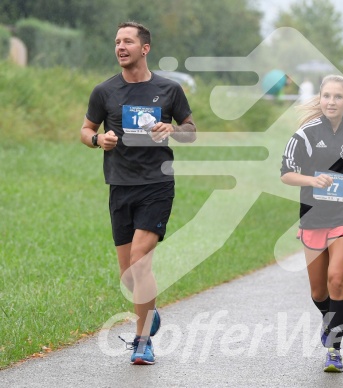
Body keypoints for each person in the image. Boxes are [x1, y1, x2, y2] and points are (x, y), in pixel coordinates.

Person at [80, 22, 196, 365]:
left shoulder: (169, 89)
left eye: (127, 41)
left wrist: (172, 129)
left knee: (140, 263)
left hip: (157, 185)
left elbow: (191, 132)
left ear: (145, 48)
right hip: (119, 186)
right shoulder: (104, 92)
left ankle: (143, 340)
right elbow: (86, 130)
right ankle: (150, 311)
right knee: (128, 277)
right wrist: (99, 140)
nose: (120, 46)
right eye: (117, 41)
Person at [280, 75, 343, 373]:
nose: (331, 101)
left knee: (337, 279)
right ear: (320, 99)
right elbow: (286, 174)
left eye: (338, 97)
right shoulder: (305, 135)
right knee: (319, 292)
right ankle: (329, 317)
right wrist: (312, 179)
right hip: (313, 217)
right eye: (326, 96)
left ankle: (334, 348)